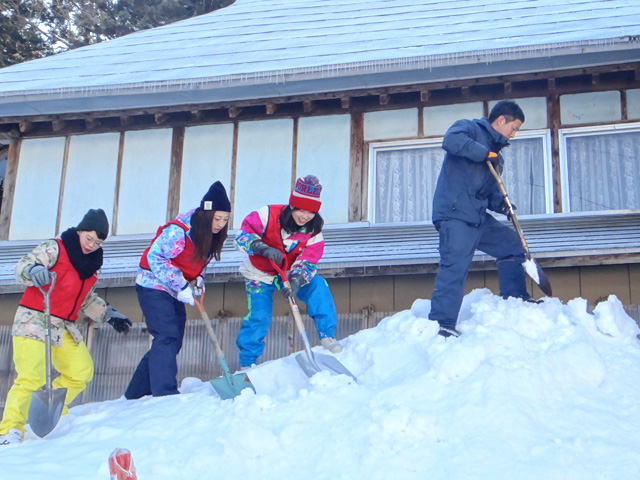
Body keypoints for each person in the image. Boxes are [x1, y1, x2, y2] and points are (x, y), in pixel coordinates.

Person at [0, 209, 132, 446]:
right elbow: (22, 265)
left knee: (81, 370)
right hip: (35, 319)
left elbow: (86, 299)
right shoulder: (56, 248)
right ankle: (10, 430)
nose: (91, 245)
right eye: (88, 238)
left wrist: (109, 314)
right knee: (31, 377)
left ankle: (47, 412)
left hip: (63, 325)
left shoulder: (91, 266)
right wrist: (34, 271)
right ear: (80, 231)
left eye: (98, 242)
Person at [428, 100, 534, 338]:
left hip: (476, 216)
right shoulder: (468, 128)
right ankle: (442, 325)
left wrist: (502, 205)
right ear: (500, 120)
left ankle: (515, 299)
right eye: (514, 128)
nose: (514, 135)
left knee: (513, 246)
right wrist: (484, 153)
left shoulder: (497, 158)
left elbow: (487, 192)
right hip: (455, 214)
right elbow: (451, 141)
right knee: (455, 267)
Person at [124, 181, 231, 399]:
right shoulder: (179, 231)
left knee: (174, 339)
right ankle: (164, 392)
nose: (220, 224)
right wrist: (181, 285)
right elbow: (156, 257)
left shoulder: (210, 235)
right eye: (217, 218)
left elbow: (197, 263)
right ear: (205, 214)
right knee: (166, 335)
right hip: (152, 283)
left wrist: (199, 281)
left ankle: (135, 393)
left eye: (225, 219)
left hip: (173, 288)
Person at [235, 174, 342, 369]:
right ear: (292, 205)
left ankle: (327, 335)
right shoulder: (267, 214)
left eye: (310, 212)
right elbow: (242, 236)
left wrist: (296, 281)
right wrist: (261, 247)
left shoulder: (314, 230)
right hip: (260, 273)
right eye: (300, 209)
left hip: (290, 272)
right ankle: (247, 362)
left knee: (318, 287)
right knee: (260, 315)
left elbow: (309, 260)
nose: (304, 216)